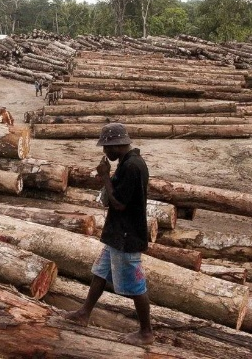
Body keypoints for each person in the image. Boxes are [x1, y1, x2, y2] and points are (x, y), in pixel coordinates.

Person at [64, 123, 154, 346]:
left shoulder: (132, 166)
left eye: (106, 147)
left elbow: (119, 204)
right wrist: (109, 178)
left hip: (126, 235)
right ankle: (84, 313)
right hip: (118, 233)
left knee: (135, 285)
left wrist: (105, 176)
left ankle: (146, 332)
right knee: (100, 272)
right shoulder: (127, 163)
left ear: (116, 145)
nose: (105, 152)